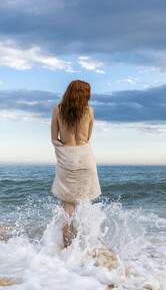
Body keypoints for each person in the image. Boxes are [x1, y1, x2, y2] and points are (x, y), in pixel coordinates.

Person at [50, 80, 102, 247]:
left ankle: (68, 247)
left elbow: (54, 138)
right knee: (87, 203)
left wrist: (65, 151)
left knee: (67, 207)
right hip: (86, 158)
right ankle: (88, 245)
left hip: (67, 158)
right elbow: (87, 137)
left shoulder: (57, 109)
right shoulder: (89, 111)